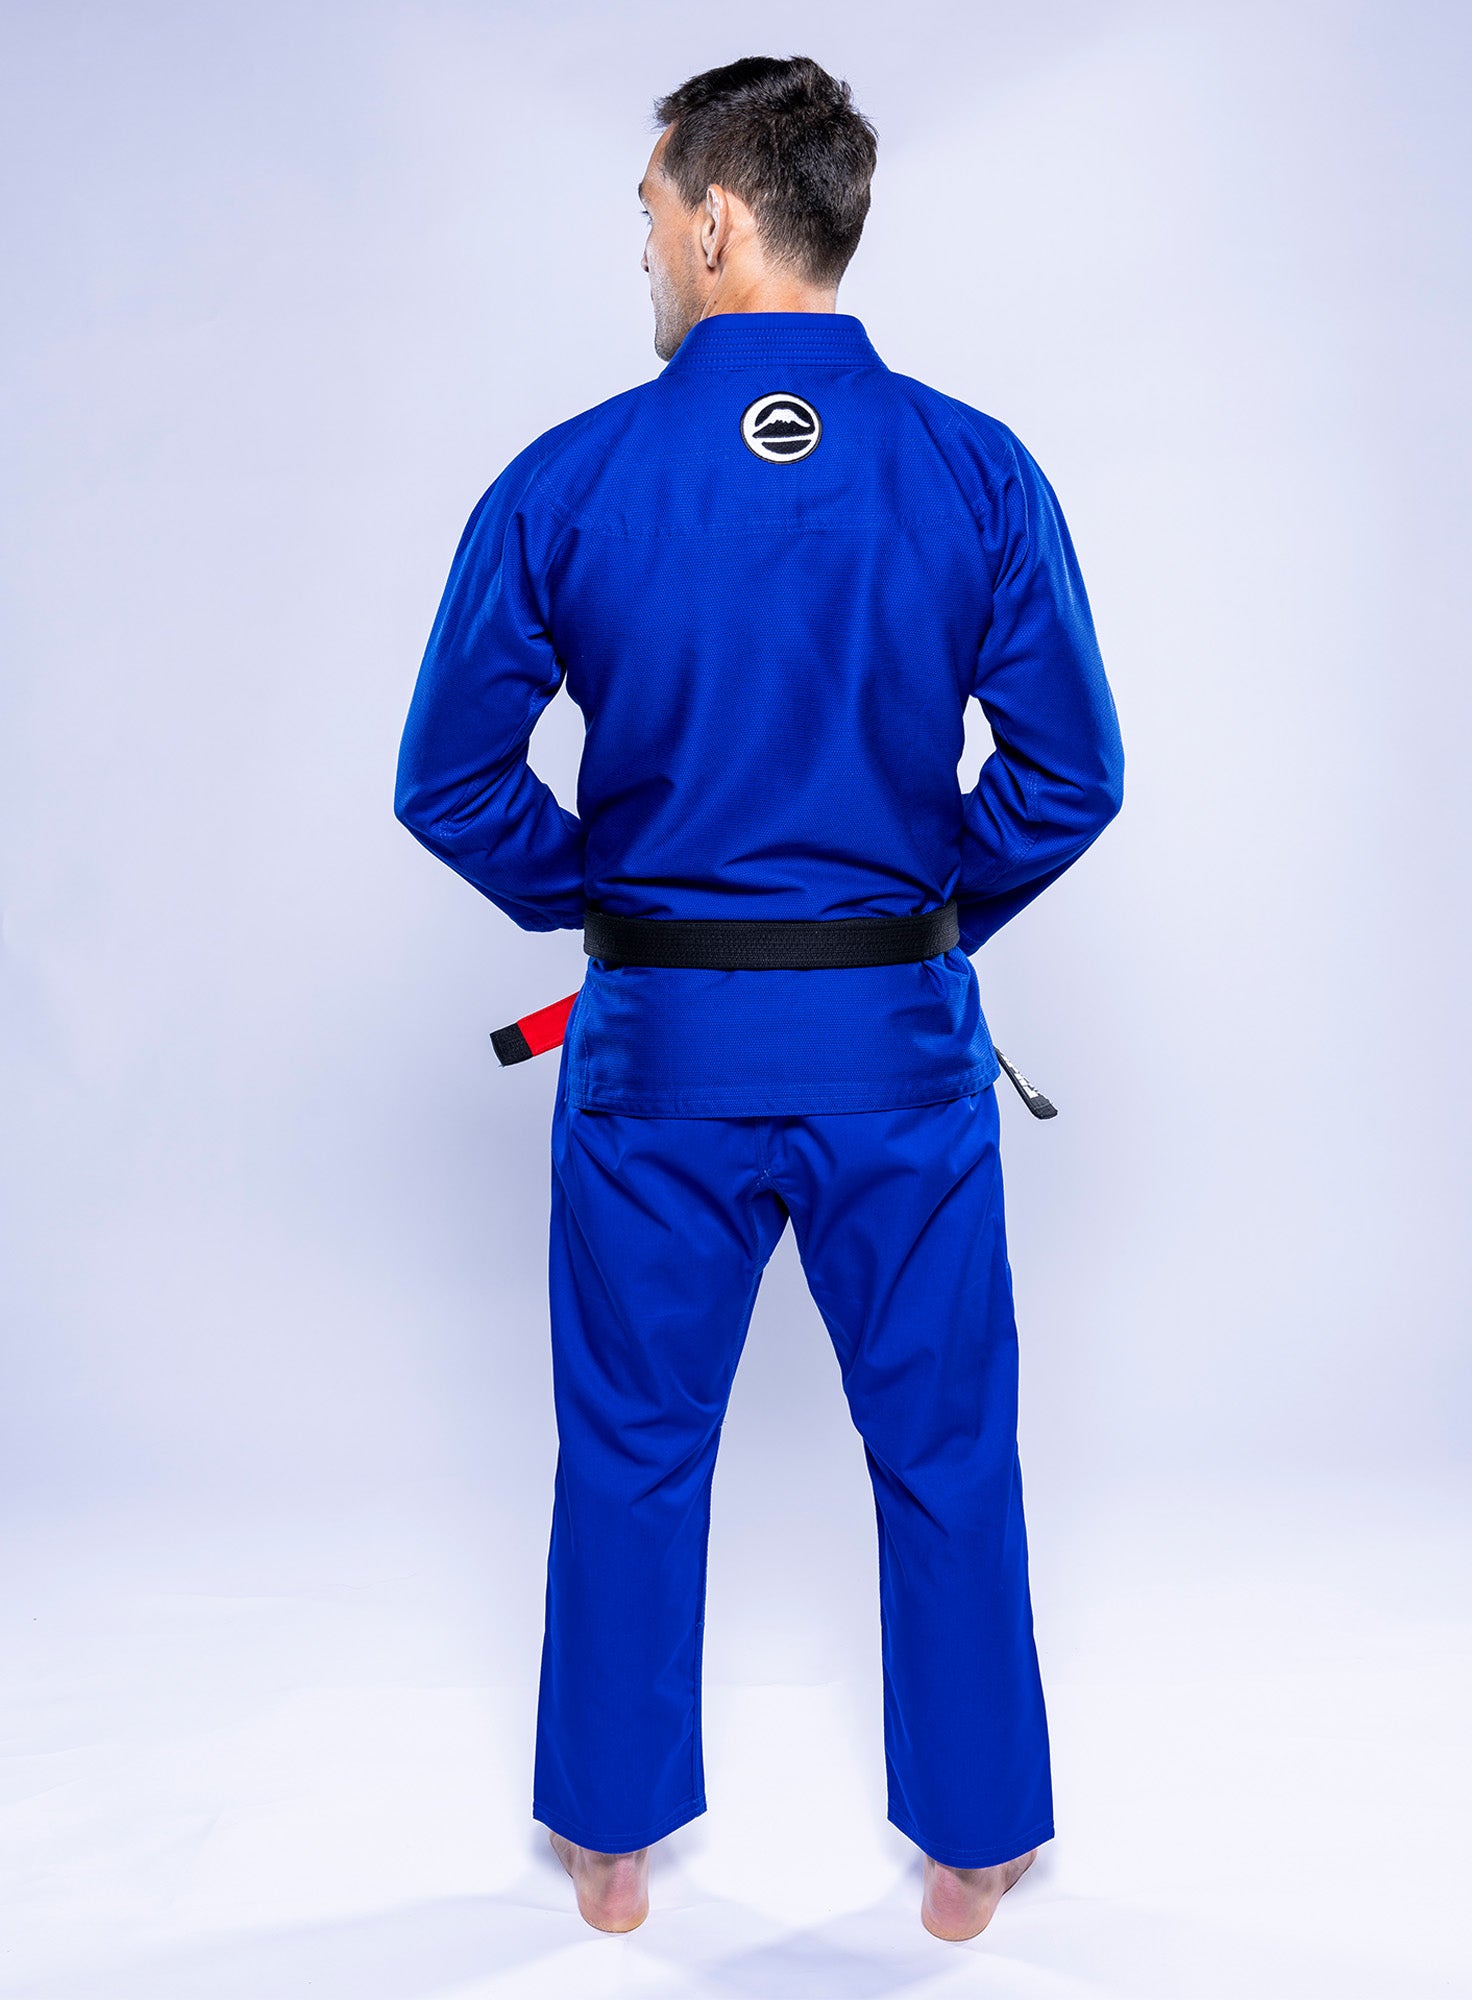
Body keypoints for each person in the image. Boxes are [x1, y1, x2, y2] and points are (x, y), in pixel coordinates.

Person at [395, 55, 1123, 1942]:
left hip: (660, 1056)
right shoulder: (974, 469)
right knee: (945, 1448)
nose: (638, 244)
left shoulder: (571, 479)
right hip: (895, 1048)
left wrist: (624, 911)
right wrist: (911, 914)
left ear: (717, 222)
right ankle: (976, 1850)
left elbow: (446, 780)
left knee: (636, 1442)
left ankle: (614, 1847)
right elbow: (1070, 776)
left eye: (648, 210)